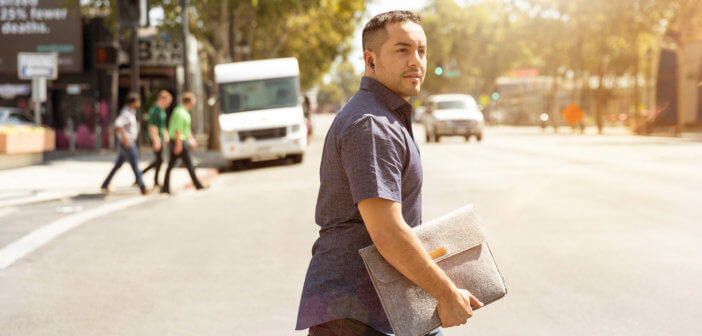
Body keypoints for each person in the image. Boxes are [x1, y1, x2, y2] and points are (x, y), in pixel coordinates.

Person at [296, 11, 483, 336]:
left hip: (386, 307)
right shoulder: (371, 125)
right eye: (402, 50)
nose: (416, 61)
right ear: (371, 60)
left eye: (421, 51)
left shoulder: (386, 116)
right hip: (355, 315)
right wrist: (445, 292)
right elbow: (387, 232)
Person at [101, 92, 149, 195]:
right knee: (135, 165)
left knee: (118, 165)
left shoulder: (131, 112)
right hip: (128, 144)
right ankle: (143, 188)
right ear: (133, 102)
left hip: (127, 143)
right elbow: (118, 125)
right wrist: (125, 139)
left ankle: (105, 184)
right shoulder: (126, 113)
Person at [161, 92, 205, 194]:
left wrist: (191, 139)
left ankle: (166, 187)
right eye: (193, 101)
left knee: (182, 165)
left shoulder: (184, 111)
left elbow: (186, 129)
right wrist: (179, 144)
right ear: (189, 101)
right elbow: (178, 130)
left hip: (181, 141)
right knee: (185, 164)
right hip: (178, 141)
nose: (194, 103)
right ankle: (166, 187)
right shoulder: (180, 112)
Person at [141, 90, 172, 187]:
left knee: (159, 160)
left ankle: (142, 175)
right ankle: (150, 178)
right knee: (160, 159)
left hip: (160, 137)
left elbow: (162, 126)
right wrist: (156, 140)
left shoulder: (162, 110)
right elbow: (152, 126)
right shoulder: (154, 111)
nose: (168, 104)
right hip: (156, 138)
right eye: (167, 101)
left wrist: (166, 135)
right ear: (161, 99)